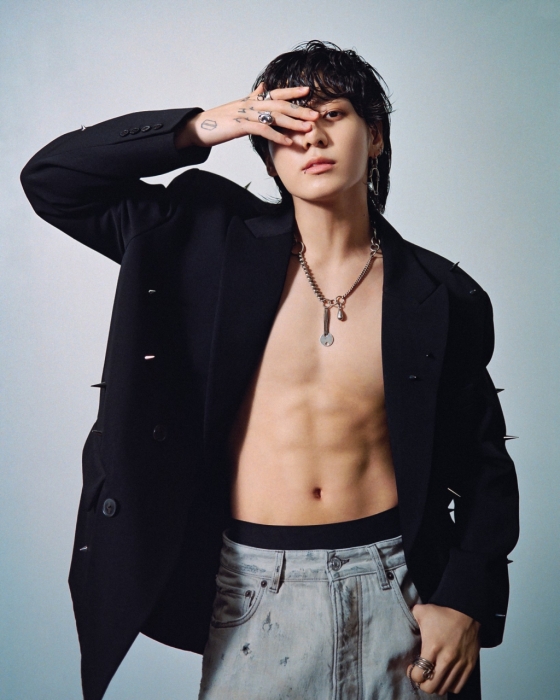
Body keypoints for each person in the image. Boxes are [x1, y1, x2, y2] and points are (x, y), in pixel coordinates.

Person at [21, 40, 518, 700]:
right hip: (256, 590)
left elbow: (483, 466)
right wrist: (206, 125)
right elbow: (53, 181)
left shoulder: (440, 295)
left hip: (398, 587)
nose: (311, 137)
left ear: (374, 136)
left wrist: (465, 601)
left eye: (333, 115)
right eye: (288, 124)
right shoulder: (203, 245)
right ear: (266, 149)